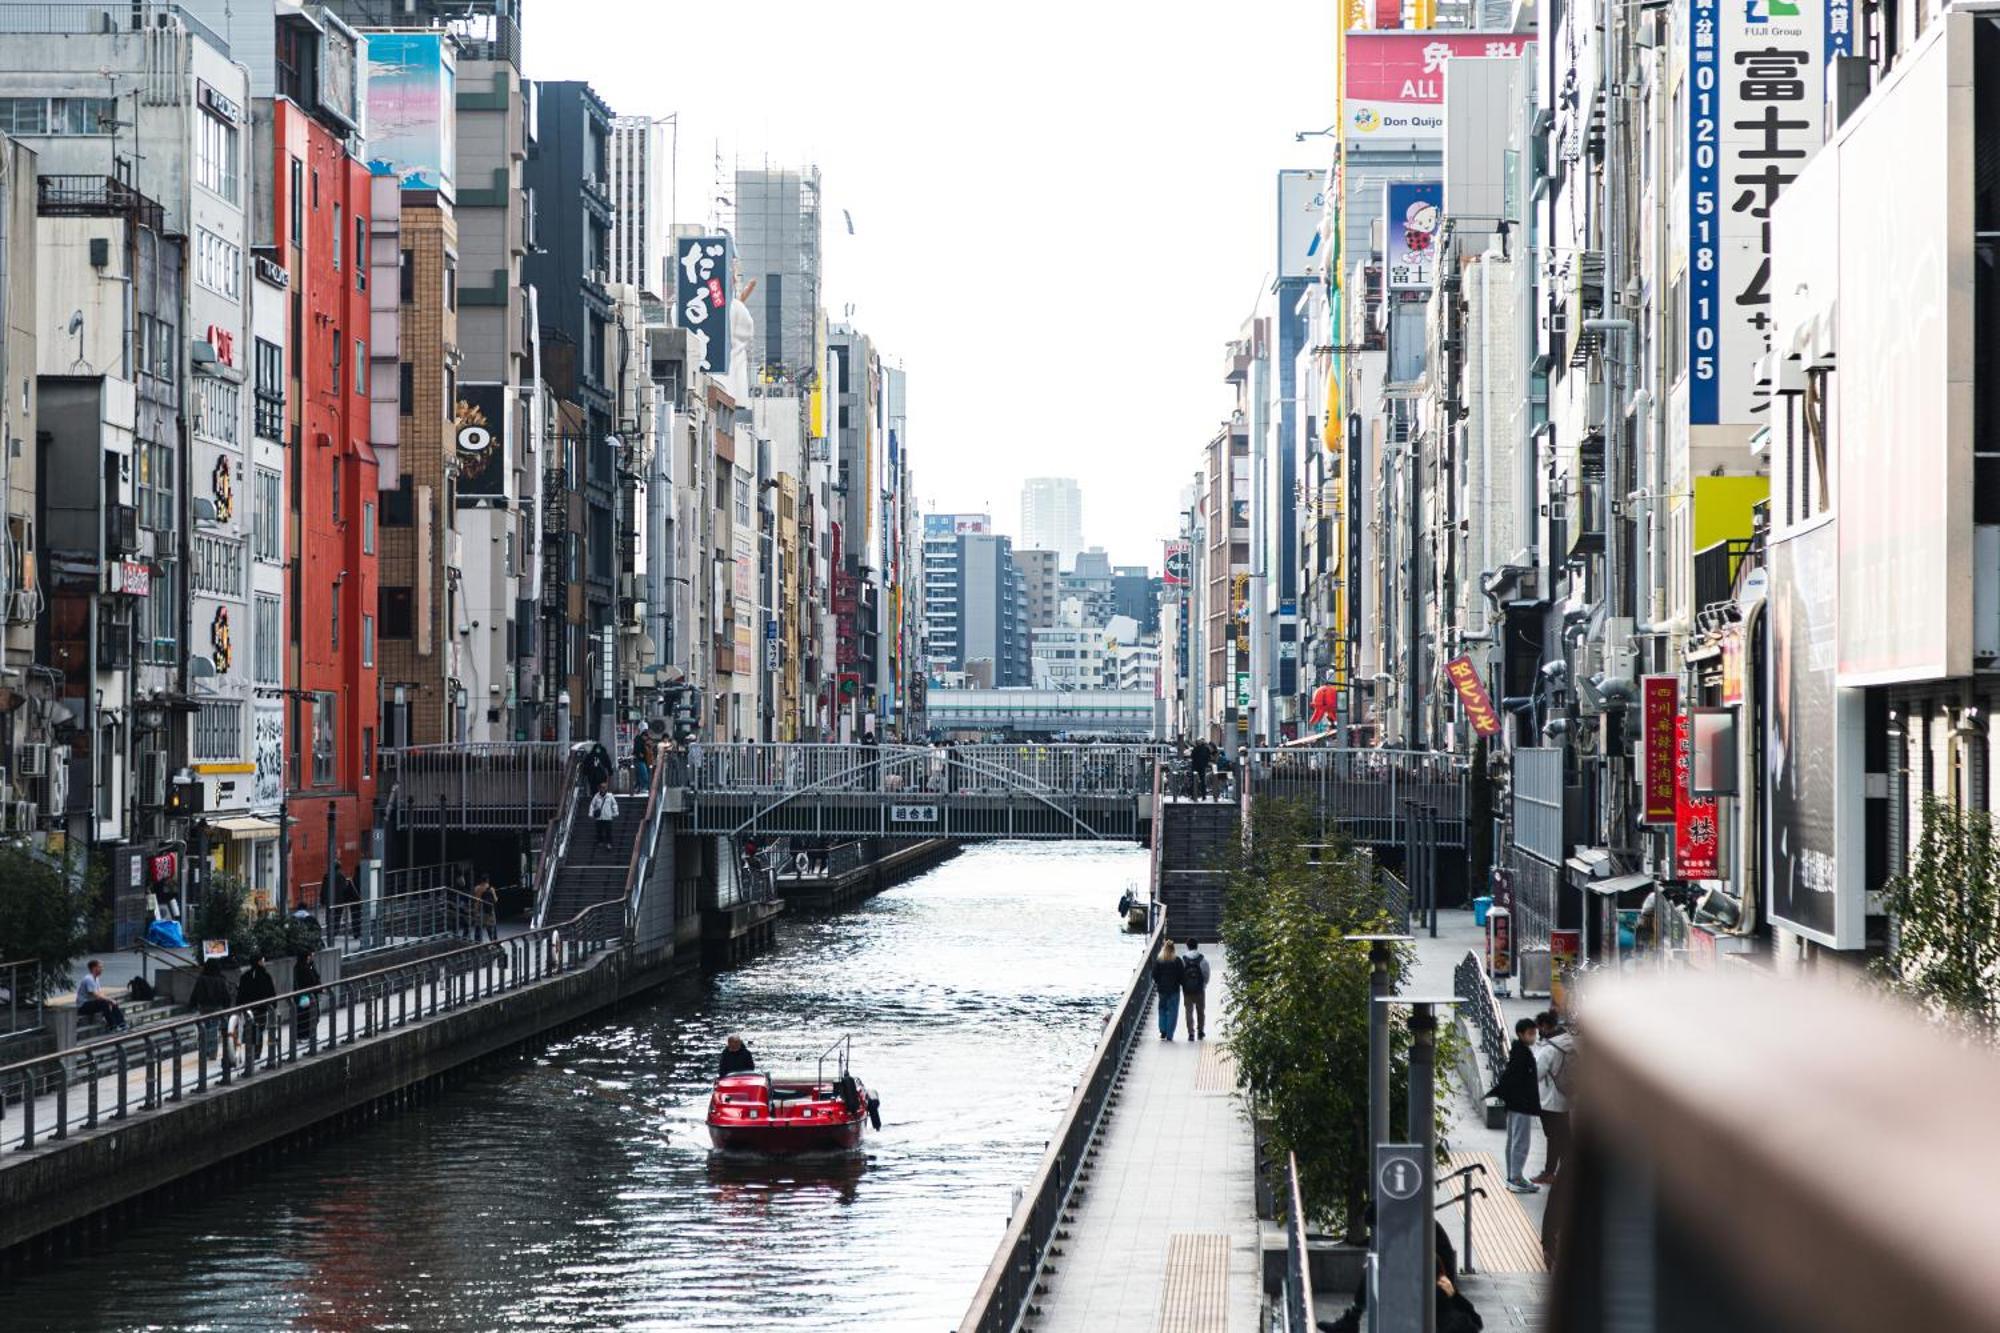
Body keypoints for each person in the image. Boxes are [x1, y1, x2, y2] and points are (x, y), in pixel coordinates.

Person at [1486, 1017, 1543, 1192]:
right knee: (1520, 1142)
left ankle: (1513, 1176)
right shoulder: (1522, 1055)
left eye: (1535, 1033)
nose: (1534, 1037)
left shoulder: (1518, 1051)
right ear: (1521, 1034)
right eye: (1530, 1033)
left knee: (1513, 1140)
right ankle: (1516, 1178)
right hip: (1521, 1104)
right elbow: (1516, 1079)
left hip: (1515, 1104)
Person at [1532, 1010, 1576, 1184]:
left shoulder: (1549, 1049)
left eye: (1539, 1028)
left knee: (1554, 1137)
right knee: (1565, 1136)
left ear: (1544, 1026)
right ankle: (1570, 1171)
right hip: (1566, 1096)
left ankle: (1550, 1172)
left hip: (1549, 1100)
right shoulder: (1568, 1041)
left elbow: (1536, 1074)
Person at [189, 958, 234, 1065]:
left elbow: (195, 993)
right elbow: (226, 996)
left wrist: (192, 1005)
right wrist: (226, 1007)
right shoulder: (221, 979)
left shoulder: (201, 979)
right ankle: (212, 1052)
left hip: (204, 1007)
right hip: (216, 1008)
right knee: (213, 1029)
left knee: (203, 1029)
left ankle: (203, 1052)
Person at [234, 954, 278, 1062]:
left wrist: (239, 1006)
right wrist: (273, 1004)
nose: (264, 962)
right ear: (258, 962)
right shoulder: (265, 976)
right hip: (261, 1008)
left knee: (249, 1029)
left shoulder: (245, 976)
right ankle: (256, 1053)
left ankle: (250, 1052)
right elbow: (271, 992)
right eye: (262, 960)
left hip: (248, 1009)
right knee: (259, 1029)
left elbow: (241, 993)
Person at [74, 959, 127, 1034]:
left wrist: (110, 1000)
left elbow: (100, 993)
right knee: (104, 1002)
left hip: (91, 1003)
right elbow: (96, 995)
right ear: (94, 968)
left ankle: (122, 1024)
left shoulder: (96, 978)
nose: (102, 969)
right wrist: (109, 1000)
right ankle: (112, 1026)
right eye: (100, 967)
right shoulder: (88, 979)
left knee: (111, 1001)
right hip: (83, 1006)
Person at [1178, 940, 1212, 1041]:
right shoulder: (1203, 960)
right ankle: (1200, 1031)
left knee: (1189, 1011)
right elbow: (1206, 974)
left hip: (1187, 990)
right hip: (1199, 990)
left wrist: (1183, 985)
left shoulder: (1183, 960)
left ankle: (1191, 1033)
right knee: (1200, 1011)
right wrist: (1204, 984)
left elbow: (1180, 974)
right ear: (1197, 946)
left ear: (1187, 946)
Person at [1152, 942, 1185, 1040]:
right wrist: (1181, 984)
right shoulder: (1177, 960)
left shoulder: (1159, 960)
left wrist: (1159, 982)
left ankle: (1163, 1031)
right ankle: (1170, 1034)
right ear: (1173, 949)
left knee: (1162, 1009)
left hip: (1162, 989)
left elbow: (1154, 974)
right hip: (1174, 989)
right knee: (1172, 1011)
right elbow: (1182, 975)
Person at [293, 949, 322, 1043]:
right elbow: (310, 981)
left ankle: (309, 1035)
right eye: (310, 956)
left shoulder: (308, 966)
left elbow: (315, 977)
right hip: (305, 995)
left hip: (310, 994)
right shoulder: (301, 968)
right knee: (305, 1015)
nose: (311, 957)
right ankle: (303, 1036)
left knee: (312, 1015)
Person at [590, 780, 619, 850]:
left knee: (608, 831)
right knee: (599, 830)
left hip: (608, 816)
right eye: (601, 787)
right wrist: (591, 813)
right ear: (599, 788)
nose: (603, 789)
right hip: (599, 817)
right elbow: (592, 805)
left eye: (604, 787)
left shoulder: (610, 796)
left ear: (606, 788)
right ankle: (600, 841)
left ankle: (609, 843)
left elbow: (614, 804)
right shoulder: (596, 796)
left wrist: (615, 812)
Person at [474, 873, 500, 943]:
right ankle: (494, 943)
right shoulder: (491, 889)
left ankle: (477, 944)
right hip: (489, 911)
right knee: (491, 928)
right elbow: (495, 900)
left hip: (480, 911)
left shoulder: (477, 888)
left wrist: (475, 911)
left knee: (478, 928)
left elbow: (476, 900)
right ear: (487, 880)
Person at [632, 728, 655, 794]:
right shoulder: (640, 741)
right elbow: (639, 751)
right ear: (644, 736)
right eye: (646, 737)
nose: (647, 739)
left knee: (639, 776)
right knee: (644, 775)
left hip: (641, 761)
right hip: (640, 760)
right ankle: (643, 788)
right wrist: (640, 754)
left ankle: (638, 788)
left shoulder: (640, 741)